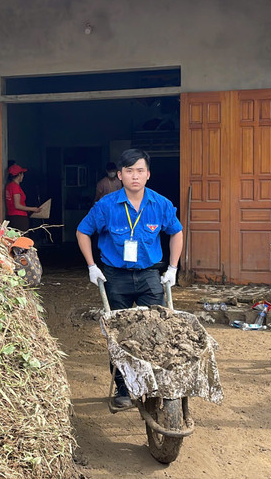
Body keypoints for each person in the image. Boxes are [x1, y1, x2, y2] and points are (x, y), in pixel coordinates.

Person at [76, 148, 184, 409]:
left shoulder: (160, 204)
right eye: (129, 171)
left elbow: (176, 232)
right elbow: (83, 231)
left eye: (140, 171)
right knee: (119, 335)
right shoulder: (106, 206)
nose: (135, 176)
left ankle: (155, 384)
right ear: (120, 175)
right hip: (116, 277)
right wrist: (92, 266)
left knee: (157, 330)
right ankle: (124, 389)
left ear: (148, 174)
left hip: (149, 276)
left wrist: (172, 268)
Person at [5, 164, 39, 231]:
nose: (23, 176)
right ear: (19, 175)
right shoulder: (15, 187)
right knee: (22, 239)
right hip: (19, 217)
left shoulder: (9, 186)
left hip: (11, 216)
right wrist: (33, 209)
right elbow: (17, 205)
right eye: (22, 174)